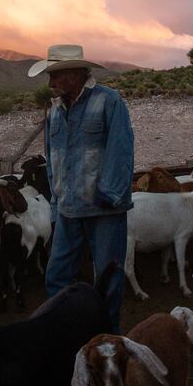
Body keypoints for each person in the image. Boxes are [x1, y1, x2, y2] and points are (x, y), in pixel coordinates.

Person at [29, 44, 133, 332]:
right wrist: (54, 204)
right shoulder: (55, 110)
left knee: (109, 278)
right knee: (57, 275)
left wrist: (109, 193)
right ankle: (66, 330)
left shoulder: (108, 101)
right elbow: (53, 160)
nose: (50, 83)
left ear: (76, 73)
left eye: (56, 76)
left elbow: (121, 149)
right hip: (68, 207)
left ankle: (108, 336)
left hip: (104, 208)